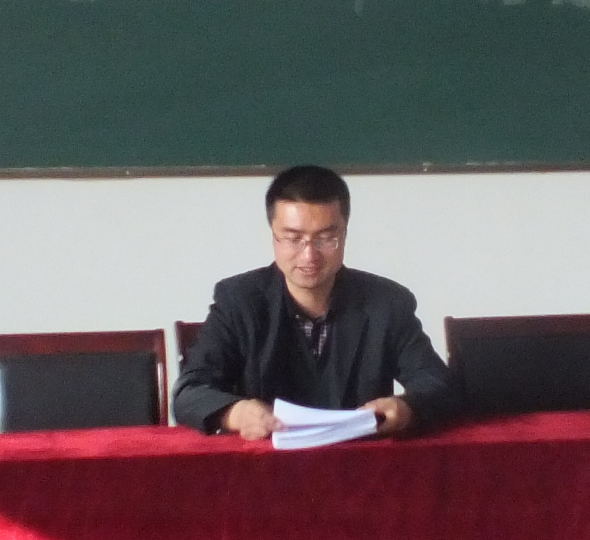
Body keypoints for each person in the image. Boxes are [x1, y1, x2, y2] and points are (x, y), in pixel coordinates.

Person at [173, 165, 459, 440]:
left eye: (326, 238)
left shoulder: (386, 303)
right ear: (274, 237)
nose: (309, 255)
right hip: (266, 463)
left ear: (344, 234)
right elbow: (189, 391)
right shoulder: (238, 301)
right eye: (293, 239)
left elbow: (438, 385)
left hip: (359, 461)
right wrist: (234, 413)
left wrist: (405, 409)